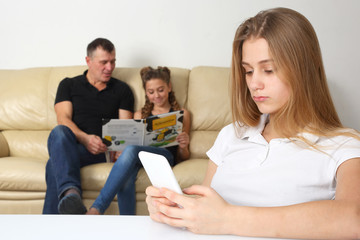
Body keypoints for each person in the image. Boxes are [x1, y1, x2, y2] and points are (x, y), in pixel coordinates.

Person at [145, 8, 360, 239]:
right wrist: (176, 210)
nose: (254, 83)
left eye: (268, 70)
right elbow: (206, 207)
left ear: (304, 70)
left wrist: (226, 218)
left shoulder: (344, 144)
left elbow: (353, 218)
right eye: (248, 71)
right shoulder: (232, 134)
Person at [43, 38, 134, 214]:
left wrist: (120, 148)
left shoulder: (122, 90)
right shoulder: (69, 84)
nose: (110, 67)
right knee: (59, 132)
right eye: (104, 62)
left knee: (53, 163)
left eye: (113, 61)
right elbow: (63, 118)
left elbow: (125, 128)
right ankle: (71, 193)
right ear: (88, 61)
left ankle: (54, 217)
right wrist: (85, 139)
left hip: (103, 151)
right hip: (74, 145)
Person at [86, 66, 191, 215]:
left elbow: (183, 156)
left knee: (131, 150)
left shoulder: (182, 114)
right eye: (151, 92)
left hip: (165, 157)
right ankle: (127, 223)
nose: (156, 95)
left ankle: (97, 208)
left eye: (160, 90)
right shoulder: (139, 115)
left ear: (169, 87)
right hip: (141, 157)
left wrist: (183, 146)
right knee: (127, 173)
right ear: (146, 93)